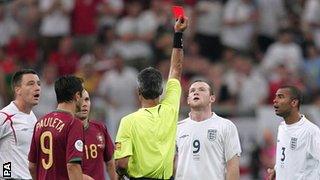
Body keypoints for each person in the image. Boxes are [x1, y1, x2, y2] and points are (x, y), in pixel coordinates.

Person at [114, 16, 188, 179]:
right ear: (161, 90)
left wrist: (121, 175)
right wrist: (178, 34)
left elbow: (121, 164)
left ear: (138, 92)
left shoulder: (128, 121)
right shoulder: (170, 109)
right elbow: (176, 69)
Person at [175, 80, 241, 180]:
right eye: (192, 91)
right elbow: (171, 165)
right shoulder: (178, 128)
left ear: (212, 98)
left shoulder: (226, 126)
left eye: (202, 90)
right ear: (188, 100)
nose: (196, 92)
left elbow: (232, 166)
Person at [28, 75, 87, 180]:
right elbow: (73, 166)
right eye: (82, 95)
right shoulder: (73, 123)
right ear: (77, 96)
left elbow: (32, 166)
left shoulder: (40, 123)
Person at [268, 86, 320, 180]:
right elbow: (287, 157)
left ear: (294, 102)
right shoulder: (282, 127)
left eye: (280, 97)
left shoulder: (311, 131)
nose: (275, 100)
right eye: (275, 97)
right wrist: (277, 170)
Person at [0, 69, 41, 179]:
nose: (37, 88)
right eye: (31, 84)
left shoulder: (32, 117)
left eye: (38, 84)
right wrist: (6, 174)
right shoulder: (5, 117)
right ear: (18, 90)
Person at [76, 89, 117, 180]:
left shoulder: (100, 128)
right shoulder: (65, 132)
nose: (84, 104)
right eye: (80, 100)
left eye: (87, 99)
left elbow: (110, 163)